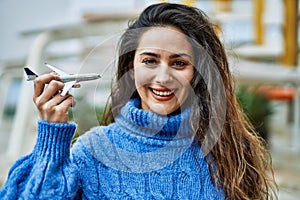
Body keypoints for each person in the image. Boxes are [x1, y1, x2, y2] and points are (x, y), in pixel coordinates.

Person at [0, 3, 277, 199]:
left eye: (179, 63)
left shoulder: (229, 154)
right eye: (149, 61)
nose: (163, 76)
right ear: (130, 67)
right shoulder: (92, 152)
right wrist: (52, 137)